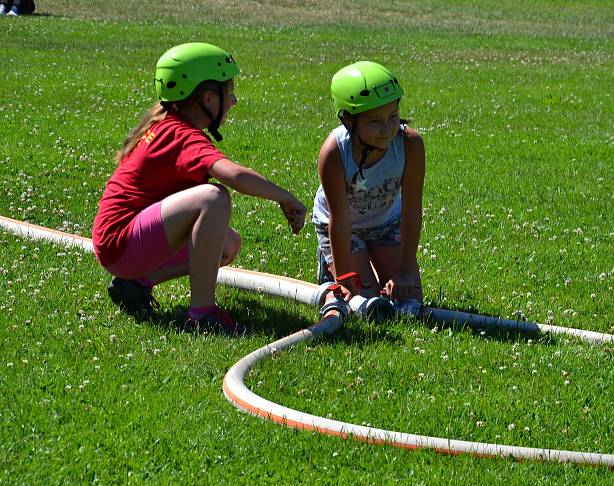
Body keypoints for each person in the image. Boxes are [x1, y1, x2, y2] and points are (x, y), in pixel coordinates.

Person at [92, 42, 306, 336]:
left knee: (227, 245)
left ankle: (136, 284)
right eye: (228, 94)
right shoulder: (182, 135)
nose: (234, 101)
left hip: (120, 243)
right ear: (208, 97)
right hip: (120, 244)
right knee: (214, 198)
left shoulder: (168, 124)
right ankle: (202, 315)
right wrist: (285, 196)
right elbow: (235, 177)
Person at [312, 61, 424, 304]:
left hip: (387, 223)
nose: (387, 129)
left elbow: (411, 210)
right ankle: (328, 262)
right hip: (345, 228)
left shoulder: (410, 145)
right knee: (364, 302)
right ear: (348, 121)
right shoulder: (334, 153)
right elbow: (339, 221)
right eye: (375, 121)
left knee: (410, 300)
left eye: (393, 116)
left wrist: (405, 272)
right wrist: (343, 277)